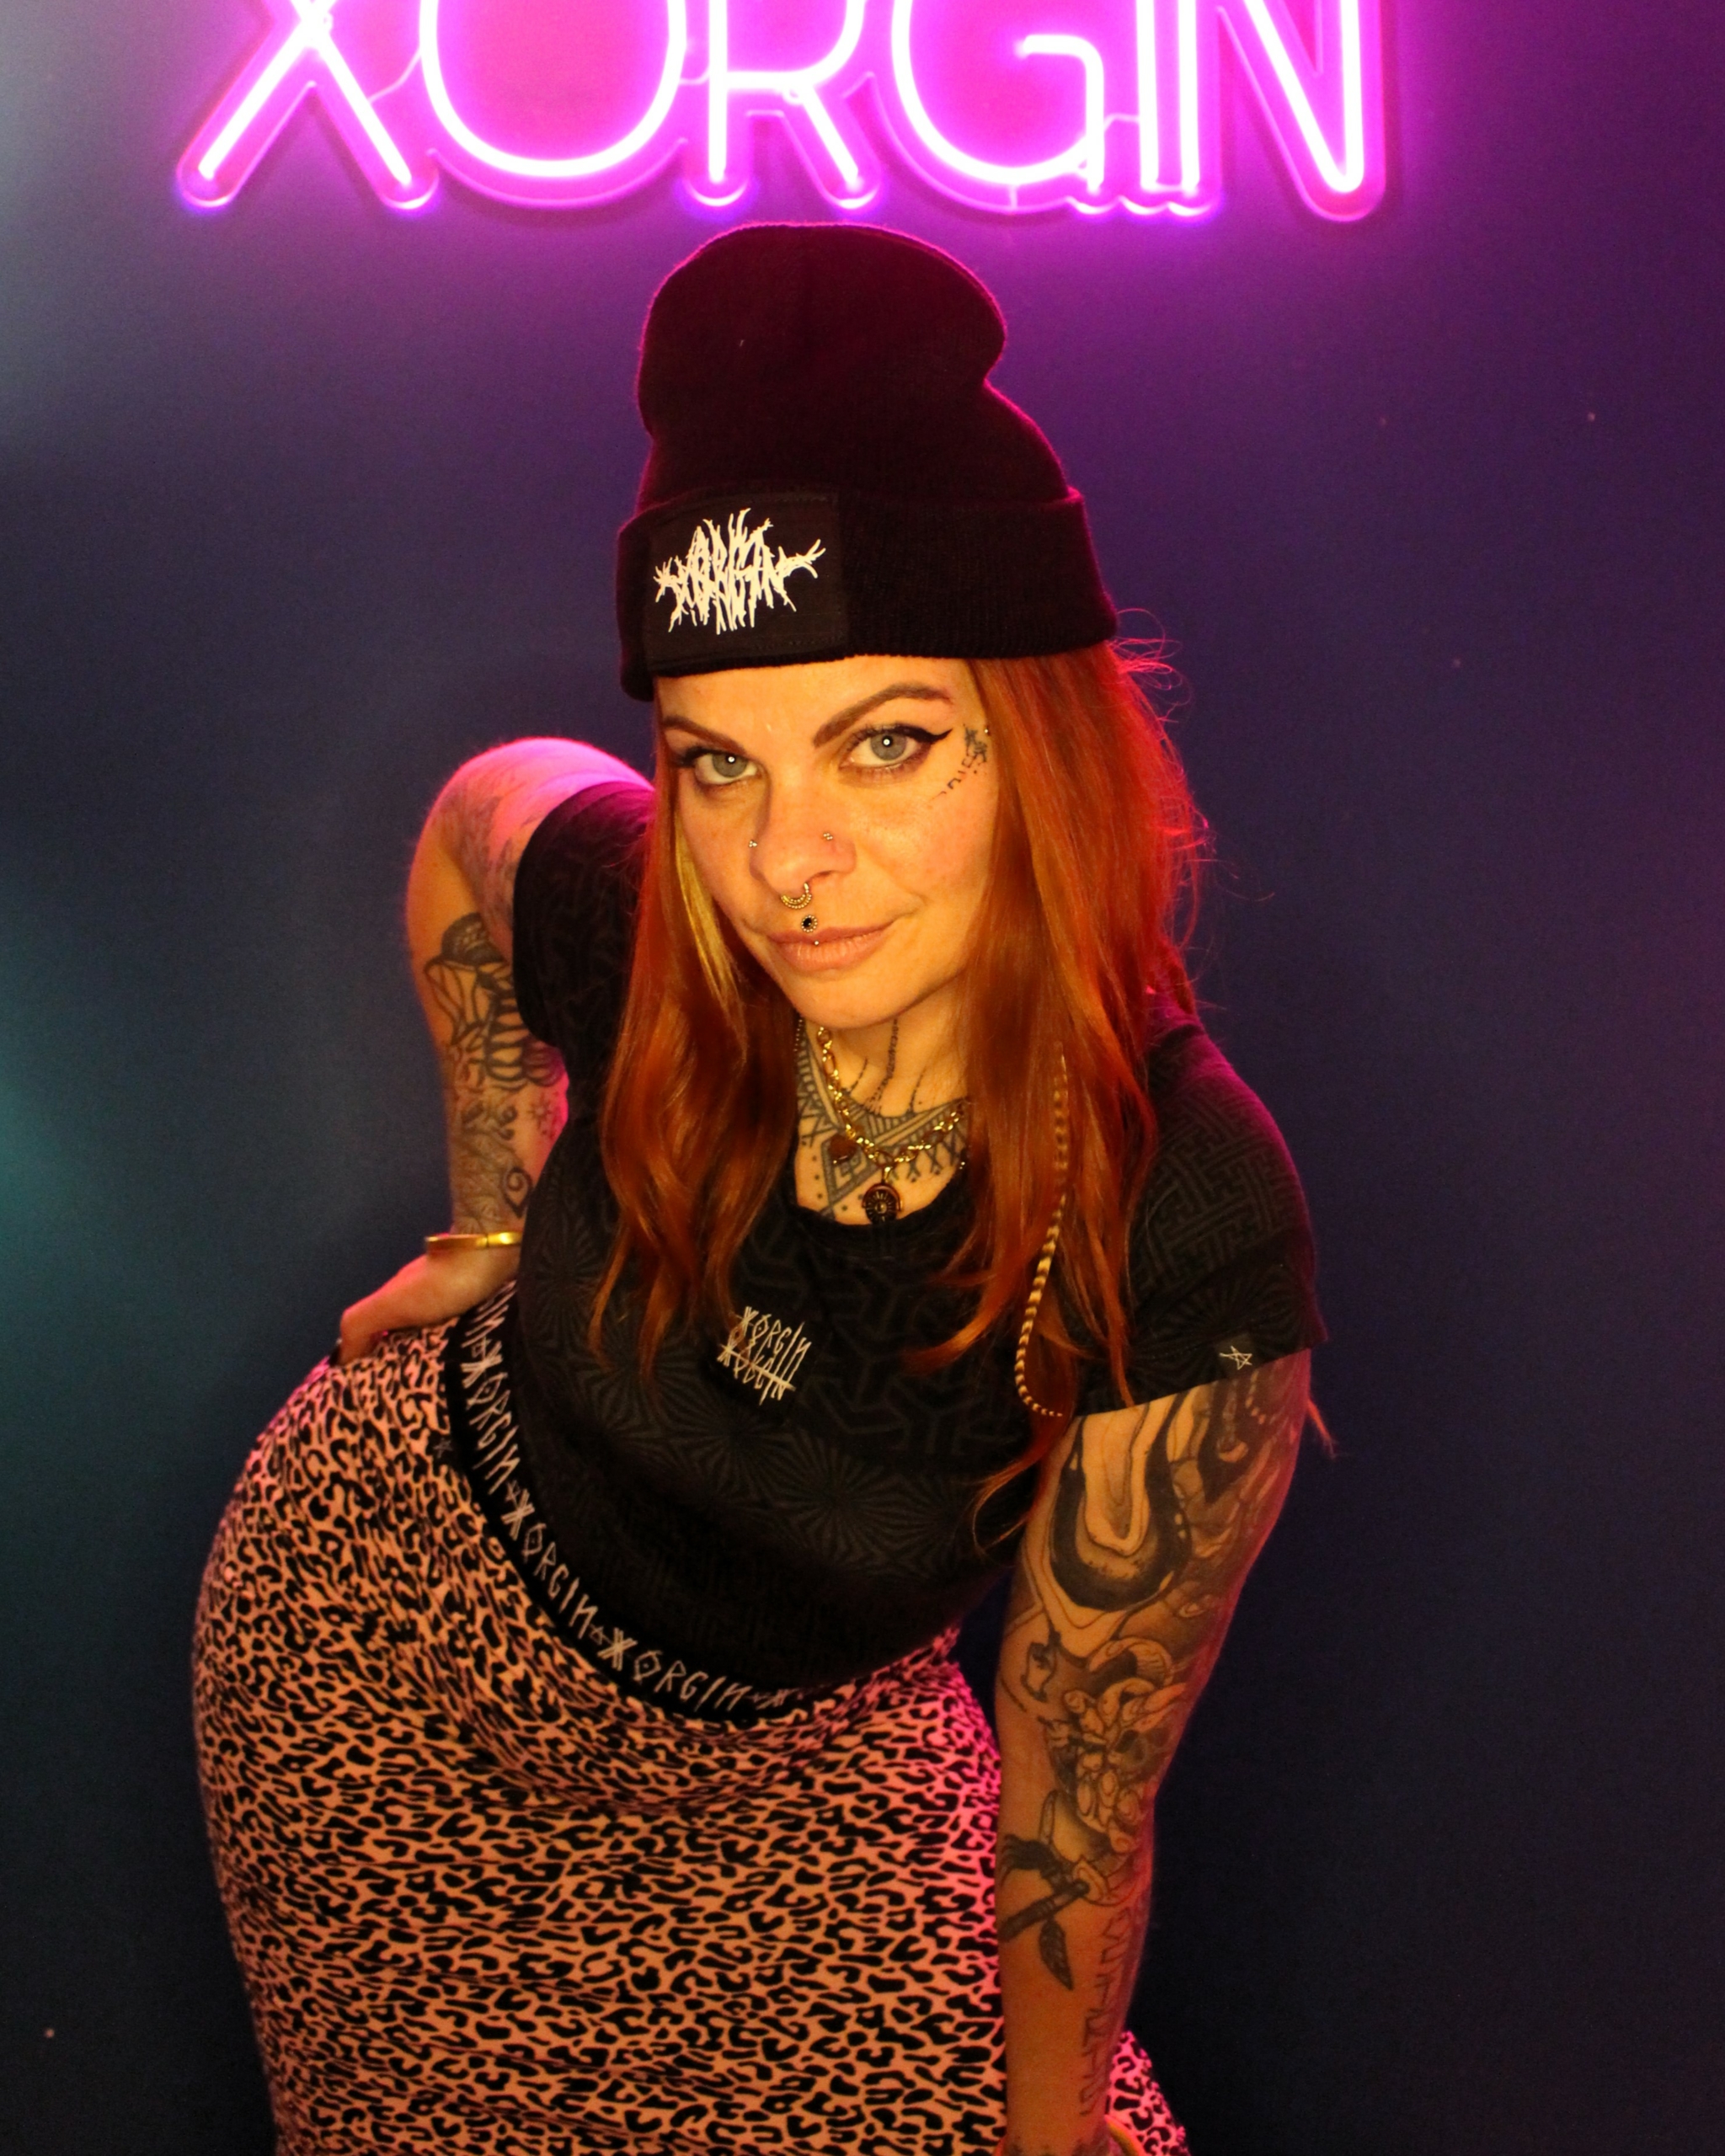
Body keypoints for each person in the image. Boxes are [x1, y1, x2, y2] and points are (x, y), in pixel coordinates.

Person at [194, 225, 1324, 2156]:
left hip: (795, 1756)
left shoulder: (1173, 1208)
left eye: (885, 744)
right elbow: (481, 815)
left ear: (1042, 741)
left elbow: (1075, 1804)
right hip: (385, 1654)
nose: (788, 857)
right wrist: (490, 1217)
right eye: (718, 761)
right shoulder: (658, 935)